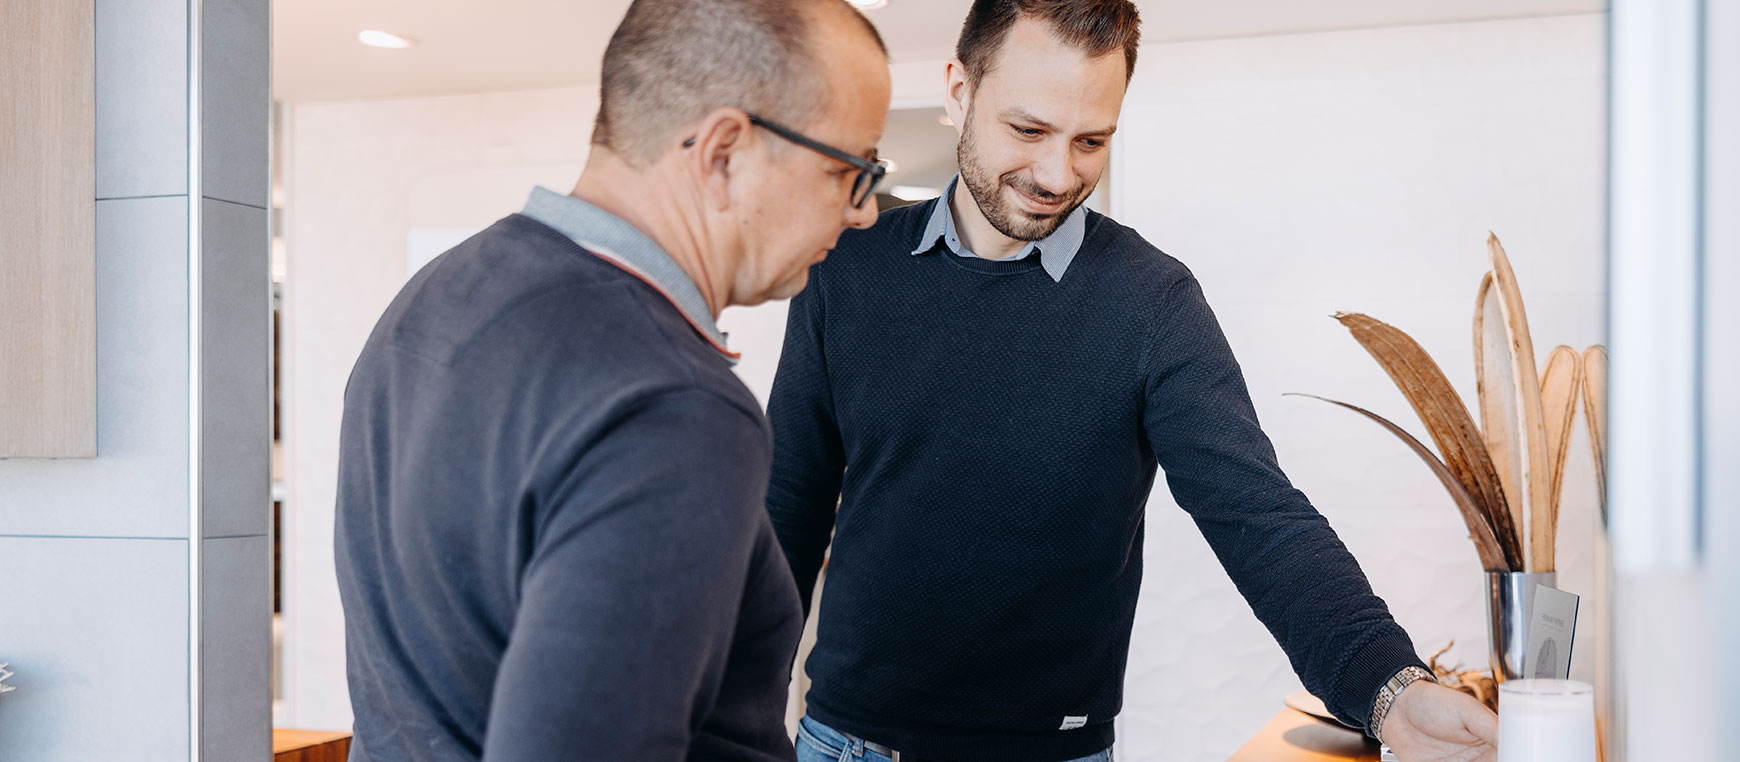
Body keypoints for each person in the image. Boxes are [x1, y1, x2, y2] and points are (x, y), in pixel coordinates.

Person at [766, 1, 1498, 761]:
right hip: (846, 742)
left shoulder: (1151, 302)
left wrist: (1391, 691)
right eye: (1029, 130)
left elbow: (1258, 514)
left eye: (1092, 141)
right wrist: (732, 719)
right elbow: (784, 512)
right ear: (958, 92)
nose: (1058, 175)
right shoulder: (845, 269)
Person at [332, 1, 890, 759]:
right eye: (848, 172)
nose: (863, 214)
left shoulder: (434, 298)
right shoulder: (674, 407)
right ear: (724, 152)